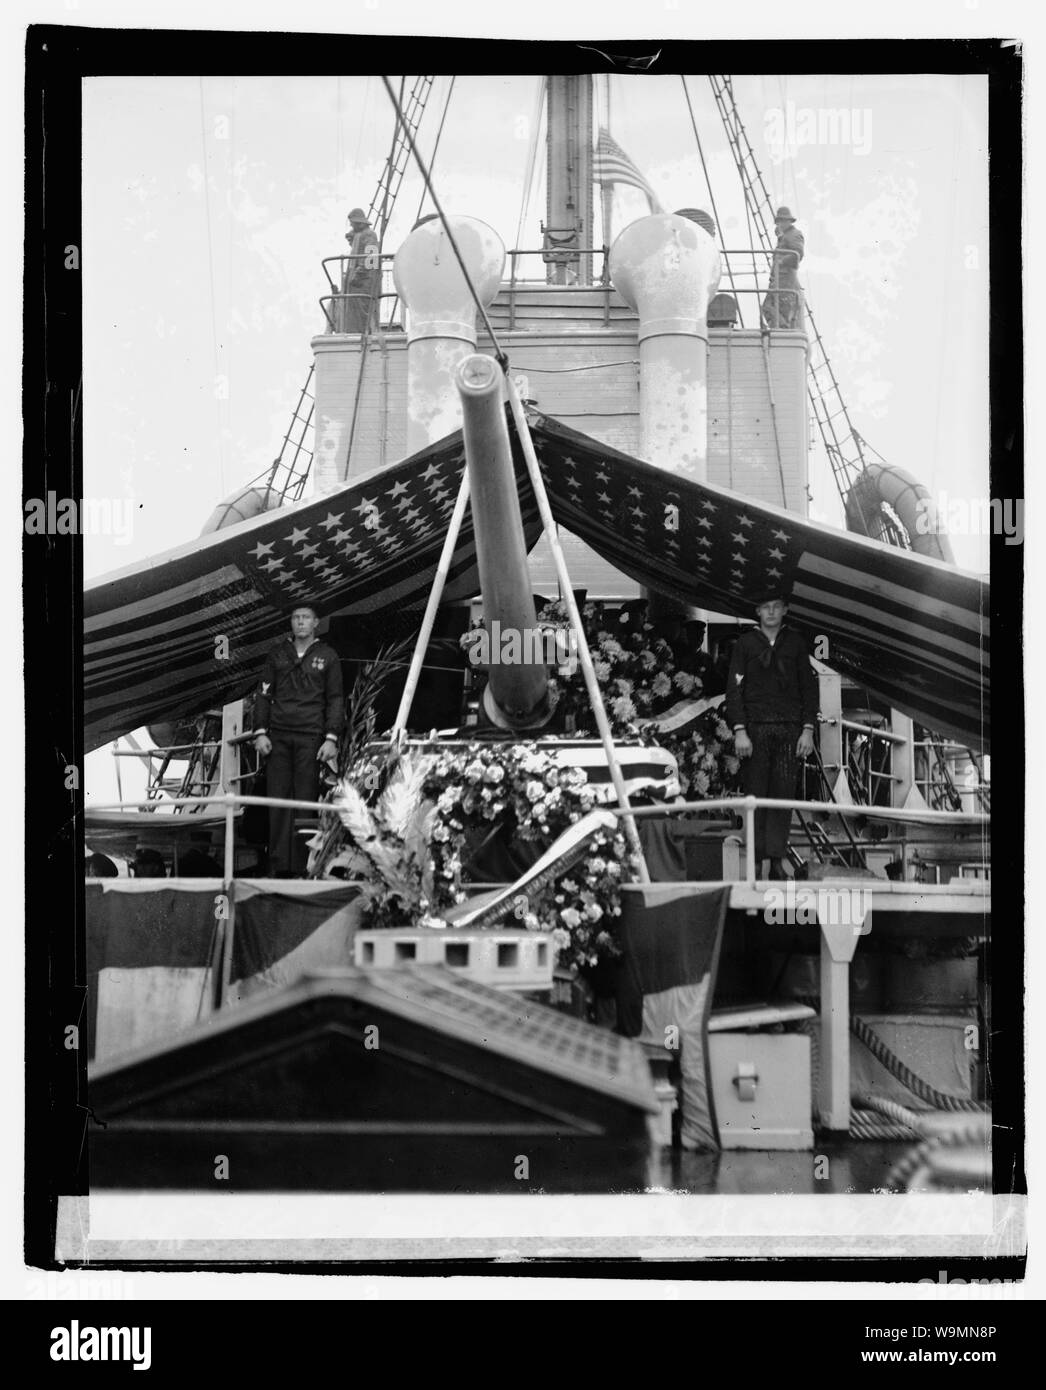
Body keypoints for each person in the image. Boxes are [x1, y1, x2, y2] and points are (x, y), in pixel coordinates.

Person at [724, 588, 818, 879]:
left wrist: (807, 730)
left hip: (789, 731)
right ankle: (755, 861)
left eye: (777, 607)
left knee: (781, 796)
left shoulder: (796, 643)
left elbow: (808, 688)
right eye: (766, 607)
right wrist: (740, 731)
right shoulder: (745, 644)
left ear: (786, 610)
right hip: (755, 732)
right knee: (756, 797)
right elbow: (734, 690)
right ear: (757, 612)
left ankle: (776, 861)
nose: (772, 612)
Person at [253, 603, 344, 876]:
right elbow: (263, 694)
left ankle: (304, 866)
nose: (300, 622)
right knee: (278, 801)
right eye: (295, 617)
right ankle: (279, 865)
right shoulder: (278, 654)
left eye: (305, 618)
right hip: (278, 736)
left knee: (305, 801)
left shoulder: (328, 656)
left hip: (311, 737)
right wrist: (260, 732)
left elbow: (335, 698)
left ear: (316, 622)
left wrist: (331, 739)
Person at [762, 206, 805, 329]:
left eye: (780, 222)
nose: (778, 225)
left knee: (772, 308)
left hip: (786, 281)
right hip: (779, 281)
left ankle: (783, 329)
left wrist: (781, 262)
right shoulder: (785, 236)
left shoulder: (794, 234)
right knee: (770, 308)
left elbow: (797, 254)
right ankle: (782, 329)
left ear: (787, 221)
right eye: (778, 222)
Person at [340, 207, 380, 333]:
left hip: (364, 282)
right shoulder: (360, 235)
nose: (351, 225)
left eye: (352, 222)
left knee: (362, 310)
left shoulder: (369, 235)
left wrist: (358, 274)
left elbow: (371, 260)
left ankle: (361, 332)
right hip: (357, 283)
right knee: (354, 311)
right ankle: (355, 331)